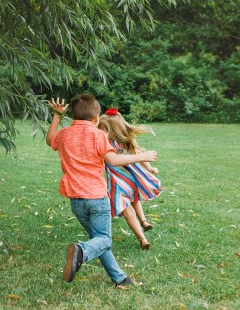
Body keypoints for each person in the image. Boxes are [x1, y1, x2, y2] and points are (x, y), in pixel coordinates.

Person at [45, 94, 157, 286]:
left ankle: (119, 278)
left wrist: (56, 115)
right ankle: (81, 251)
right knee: (103, 240)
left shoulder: (64, 134)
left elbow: (50, 140)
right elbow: (113, 160)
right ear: (96, 117)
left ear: (73, 115)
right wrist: (142, 156)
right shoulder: (98, 135)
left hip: (76, 200)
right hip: (96, 198)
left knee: (97, 240)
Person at [97, 108, 163, 250]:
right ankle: (143, 239)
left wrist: (150, 168)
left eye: (102, 130)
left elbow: (139, 154)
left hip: (127, 177)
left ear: (113, 130)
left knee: (133, 201)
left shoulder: (124, 142)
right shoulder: (103, 144)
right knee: (127, 208)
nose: (99, 132)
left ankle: (143, 222)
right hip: (117, 181)